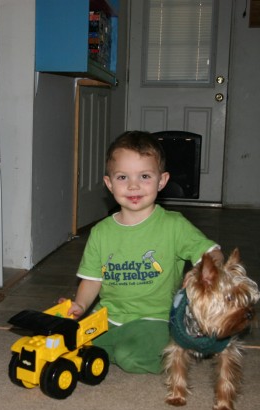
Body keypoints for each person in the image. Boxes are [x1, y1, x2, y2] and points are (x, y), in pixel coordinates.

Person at [64, 130, 223, 374]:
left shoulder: (174, 225)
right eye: (123, 177)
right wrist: (80, 305)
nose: (133, 185)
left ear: (162, 180)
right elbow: (92, 280)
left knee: (129, 356)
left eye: (145, 176)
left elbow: (210, 251)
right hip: (109, 317)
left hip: (155, 319)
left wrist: (211, 272)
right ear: (109, 183)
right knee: (72, 347)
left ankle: (174, 348)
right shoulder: (100, 232)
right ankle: (115, 345)